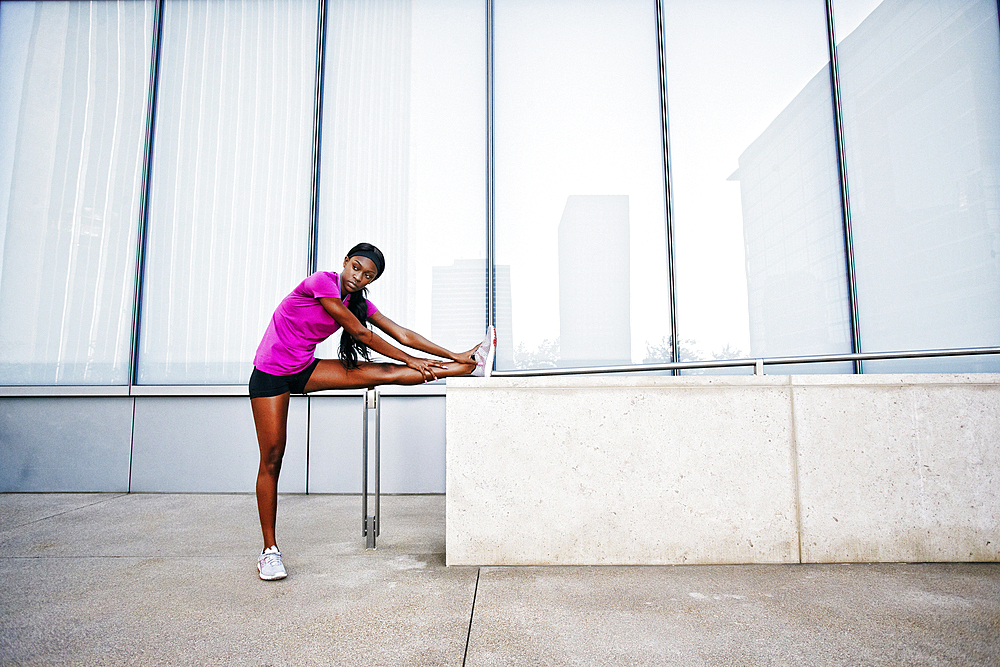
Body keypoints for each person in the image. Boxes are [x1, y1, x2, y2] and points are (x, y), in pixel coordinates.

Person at [249, 242, 495, 580]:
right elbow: (360, 333)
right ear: (346, 262)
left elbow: (402, 333)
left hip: (304, 368)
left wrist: (455, 354)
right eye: (356, 268)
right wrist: (409, 359)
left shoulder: (358, 302)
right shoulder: (322, 282)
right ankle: (269, 552)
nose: (359, 277)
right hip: (270, 373)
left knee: (385, 373)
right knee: (273, 457)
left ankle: (470, 366)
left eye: (368, 276)